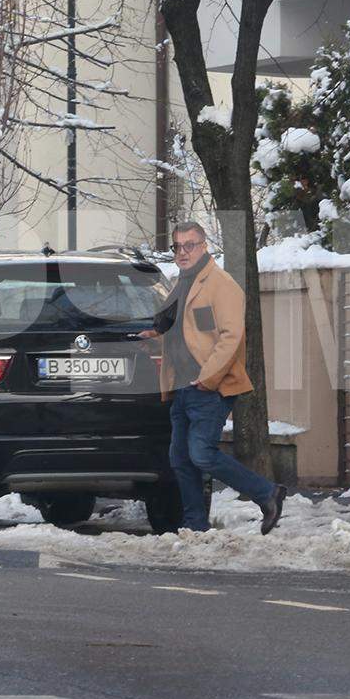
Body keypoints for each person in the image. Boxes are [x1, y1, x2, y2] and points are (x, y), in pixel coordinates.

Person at [141, 221, 287, 534]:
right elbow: (185, 331)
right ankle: (195, 525)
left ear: (204, 246)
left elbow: (231, 337)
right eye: (177, 246)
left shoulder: (222, 285)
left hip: (209, 386)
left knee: (201, 453)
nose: (182, 252)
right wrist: (154, 335)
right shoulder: (183, 283)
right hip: (182, 386)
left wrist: (207, 378)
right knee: (180, 458)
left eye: (189, 245)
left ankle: (267, 493)